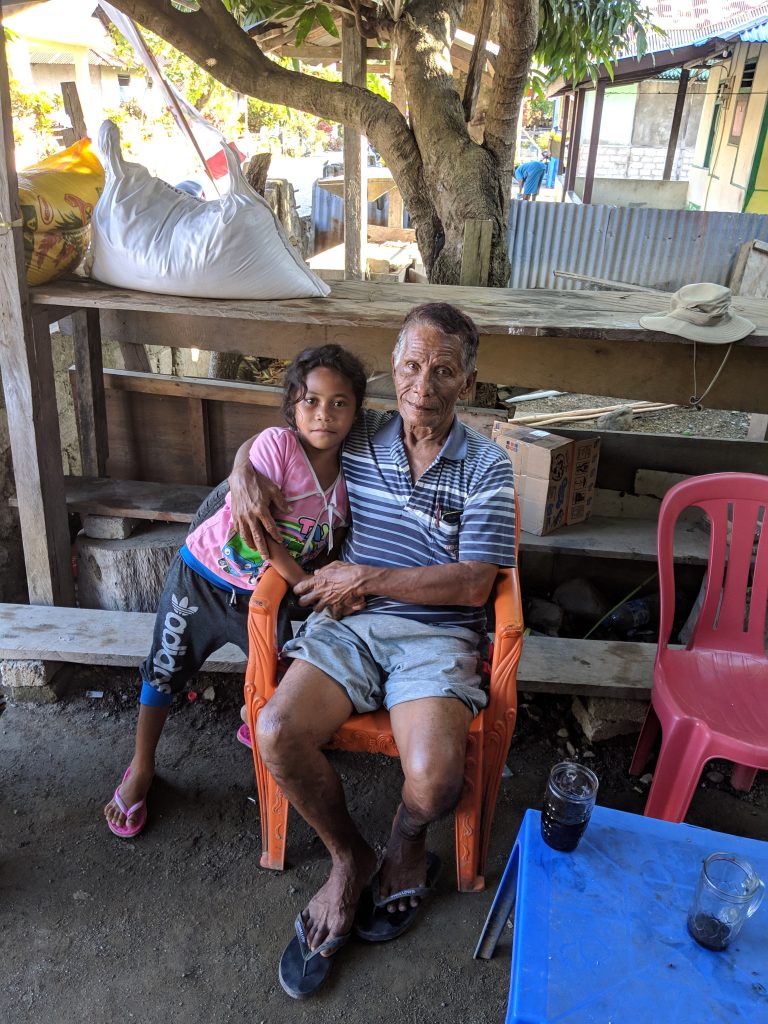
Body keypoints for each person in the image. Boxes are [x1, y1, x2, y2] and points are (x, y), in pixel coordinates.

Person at [228, 302, 517, 998]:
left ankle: (405, 847)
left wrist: (369, 576)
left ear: (468, 383)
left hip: (436, 636)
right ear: (394, 370)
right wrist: (242, 464)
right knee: (277, 732)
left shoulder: (489, 467)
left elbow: (477, 583)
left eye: (444, 370)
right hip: (351, 628)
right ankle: (349, 859)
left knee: (436, 776)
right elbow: (287, 429)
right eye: (413, 366)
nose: (424, 384)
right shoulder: (358, 433)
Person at [103, 344, 368, 839]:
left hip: (265, 597)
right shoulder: (277, 447)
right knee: (164, 670)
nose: (324, 414)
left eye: (339, 403)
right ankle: (141, 765)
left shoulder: (350, 474)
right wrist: (306, 583)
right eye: (311, 401)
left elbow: (327, 538)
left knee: (273, 677)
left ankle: (254, 718)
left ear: (356, 409)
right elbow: (259, 533)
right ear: (292, 405)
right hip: (203, 580)